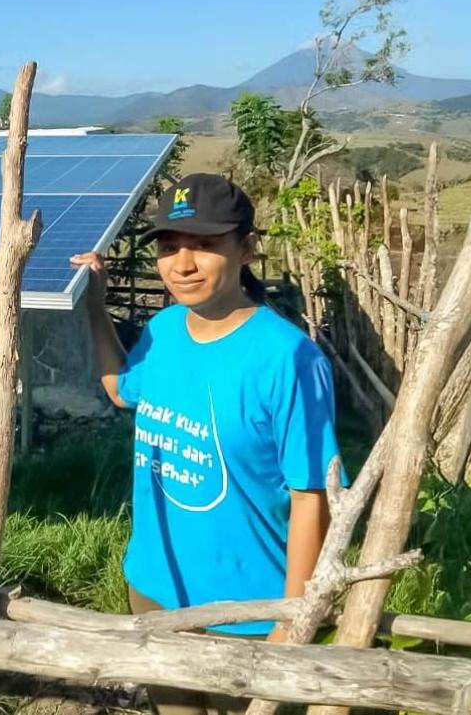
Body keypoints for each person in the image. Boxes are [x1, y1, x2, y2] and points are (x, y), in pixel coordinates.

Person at [71, 173, 343, 715]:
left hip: (245, 611)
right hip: (153, 583)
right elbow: (122, 391)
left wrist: (292, 620)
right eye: (170, 247)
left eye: (205, 245)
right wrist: (94, 306)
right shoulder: (167, 329)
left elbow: (314, 496)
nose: (183, 264)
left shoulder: (287, 359)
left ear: (246, 248)